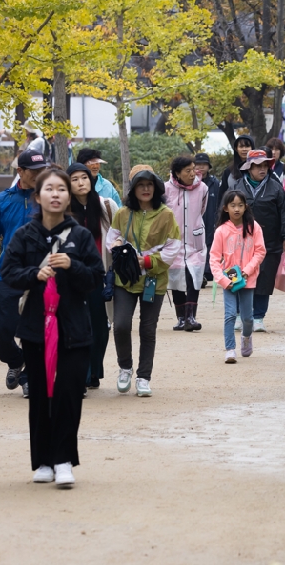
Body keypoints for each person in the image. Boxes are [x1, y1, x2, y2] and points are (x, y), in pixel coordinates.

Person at [0, 169, 104, 488]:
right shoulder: (24, 235)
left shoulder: (80, 236)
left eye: (62, 189)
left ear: (69, 197)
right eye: (49, 189)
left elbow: (95, 278)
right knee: (41, 396)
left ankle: (63, 460)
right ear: (38, 195)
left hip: (74, 327)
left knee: (69, 392)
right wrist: (36, 273)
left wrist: (72, 266)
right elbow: (9, 272)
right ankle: (43, 460)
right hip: (35, 327)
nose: (56, 194)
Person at [107, 166, 182, 397]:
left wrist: (147, 261)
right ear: (134, 189)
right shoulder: (122, 213)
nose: (146, 189)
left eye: (150, 185)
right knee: (120, 325)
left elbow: (174, 247)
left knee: (148, 329)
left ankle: (143, 377)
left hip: (154, 281)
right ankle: (125, 367)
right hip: (125, 280)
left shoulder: (166, 215)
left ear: (157, 188)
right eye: (141, 185)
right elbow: (112, 239)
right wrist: (122, 251)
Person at [0, 149, 49, 397]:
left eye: (43, 170)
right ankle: (16, 361)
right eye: (34, 171)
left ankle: (29, 378)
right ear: (20, 171)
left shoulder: (49, 198)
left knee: (36, 332)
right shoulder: (3, 200)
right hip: (8, 275)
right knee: (0, 332)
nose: (40, 175)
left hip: (42, 275)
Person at [231, 149, 285, 332]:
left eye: (265, 165)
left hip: (269, 243)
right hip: (239, 244)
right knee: (238, 277)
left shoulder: (276, 188)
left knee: (264, 280)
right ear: (249, 168)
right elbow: (222, 213)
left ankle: (258, 317)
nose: (262, 169)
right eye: (258, 166)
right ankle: (238, 315)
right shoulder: (237, 188)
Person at [67, 162, 119, 391]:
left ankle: (94, 370)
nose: (81, 182)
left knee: (99, 325)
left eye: (84, 178)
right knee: (80, 324)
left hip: (100, 275)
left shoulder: (106, 206)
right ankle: (83, 373)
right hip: (73, 277)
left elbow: (120, 234)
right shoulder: (64, 209)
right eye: (75, 179)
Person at [209, 191, 267, 363]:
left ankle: (246, 337)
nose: (236, 209)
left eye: (240, 205)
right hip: (229, 282)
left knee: (248, 317)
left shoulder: (253, 227)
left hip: (248, 279)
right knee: (229, 315)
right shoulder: (221, 231)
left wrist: (248, 270)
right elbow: (214, 258)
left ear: (245, 207)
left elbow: (260, 251)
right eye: (233, 205)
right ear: (226, 208)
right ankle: (230, 349)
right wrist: (223, 280)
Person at [164, 156, 209, 332]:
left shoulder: (202, 188)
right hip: (173, 240)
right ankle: (181, 318)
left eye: (193, 169)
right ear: (177, 173)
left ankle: (191, 316)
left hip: (194, 238)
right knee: (176, 277)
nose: (192, 173)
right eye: (187, 171)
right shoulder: (166, 189)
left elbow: (202, 209)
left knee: (193, 275)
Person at [194, 152, 221, 283]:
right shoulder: (191, 183)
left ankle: (207, 272)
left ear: (208, 166)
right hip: (195, 219)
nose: (201, 167)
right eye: (198, 165)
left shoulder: (214, 183)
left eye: (204, 164)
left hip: (211, 218)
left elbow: (219, 202)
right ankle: (200, 272)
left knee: (210, 244)